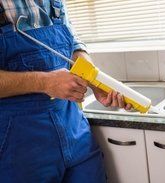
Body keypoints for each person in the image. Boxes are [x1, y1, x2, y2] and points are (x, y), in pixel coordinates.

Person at [0, 0, 131, 182]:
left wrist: (95, 82)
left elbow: (74, 45)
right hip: (19, 146)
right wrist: (45, 82)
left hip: (75, 130)